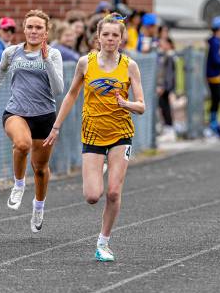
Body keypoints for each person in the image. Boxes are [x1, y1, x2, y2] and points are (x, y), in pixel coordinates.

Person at [43, 14, 145, 261]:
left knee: (113, 192)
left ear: (121, 39)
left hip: (121, 133)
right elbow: (71, 95)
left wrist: (126, 103)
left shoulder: (129, 65)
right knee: (91, 196)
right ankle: (102, 164)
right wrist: (56, 127)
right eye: (106, 34)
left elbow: (142, 106)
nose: (110, 39)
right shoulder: (85, 63)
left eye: (115, 35)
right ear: (97, 37)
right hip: (93, 134)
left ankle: (103, 243)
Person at [0, 10, 64, 233]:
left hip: (44, 116)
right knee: (22, 144)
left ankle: (38, 207)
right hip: (16, 112)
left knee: (40, 169)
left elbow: (58, 89)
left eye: (38, 27)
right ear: (24, 29)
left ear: (46, 31)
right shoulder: (12, 53)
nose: (33, 31)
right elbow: (0, 72)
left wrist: (46, 58)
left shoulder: (54, 55)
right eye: (30, 27)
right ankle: (19, 185)